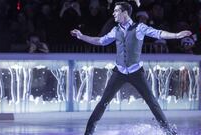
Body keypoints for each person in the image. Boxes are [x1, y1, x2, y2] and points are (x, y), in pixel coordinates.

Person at [70, 1, 191, 135]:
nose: (113, 13)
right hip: (119, 72)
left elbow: (158, 33)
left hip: (136, 72)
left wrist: (176, 35)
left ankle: (169, 132)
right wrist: (81, 37)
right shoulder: (115, 30)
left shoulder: (139, 27)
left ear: (124, 13)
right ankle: (88, 132)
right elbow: (100, 41)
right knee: (103, 102)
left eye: (116, 11)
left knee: (152, 103)